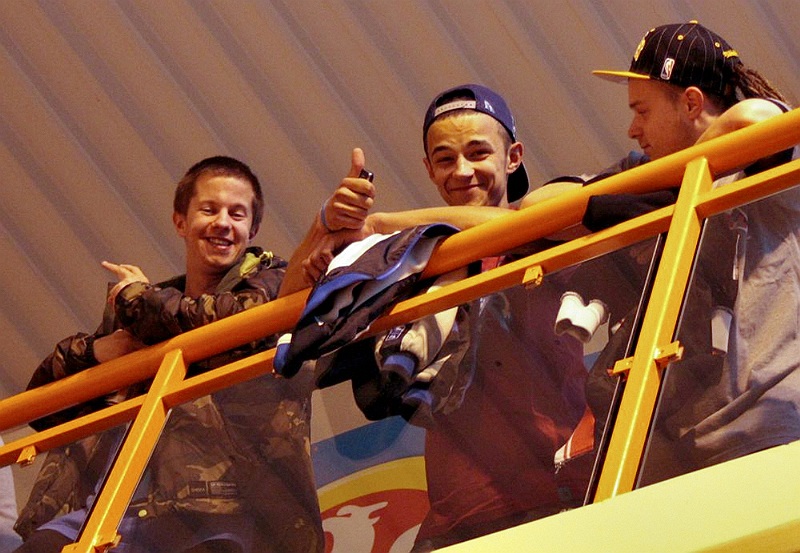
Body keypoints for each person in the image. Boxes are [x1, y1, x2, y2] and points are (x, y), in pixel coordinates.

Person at [293, 85, 589, 551]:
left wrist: (382, 226)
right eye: (445, 159)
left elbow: (518, 228)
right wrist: (325, 230)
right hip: (454, 516)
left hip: (555, 498)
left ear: (513, 157)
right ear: (429, 169)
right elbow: (284, 319)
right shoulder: (415, 258)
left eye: (478, 153)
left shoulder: (540, 219)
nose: (462, 171)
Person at [14, 156, 324, 553]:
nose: (223, 223)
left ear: (252, 229)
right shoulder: (142, 316)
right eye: (209, 210)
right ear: (180, 221)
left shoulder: (275, 283)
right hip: (105, 513)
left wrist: (135, 298)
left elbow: (224, 322)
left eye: (237, 214)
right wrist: (100, 350)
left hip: (217, 514)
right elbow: (42, 408)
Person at [571, 20, 799, 484]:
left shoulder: (761, 165)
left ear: (691, 102)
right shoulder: (653, 180)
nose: (632, 129)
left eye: (642, 110)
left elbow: (758, 115)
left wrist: (677, 183)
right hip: (686, 446)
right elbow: (546, 209)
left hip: (770, 429)